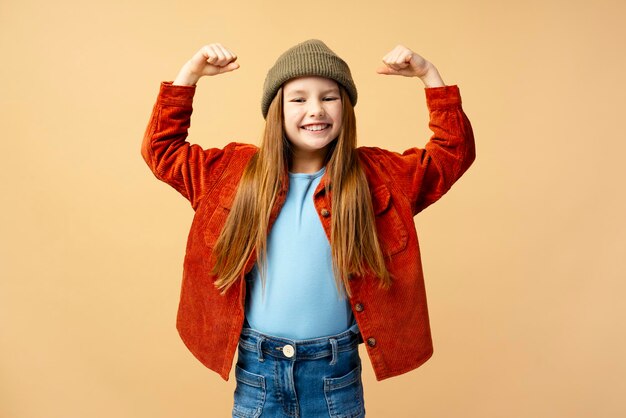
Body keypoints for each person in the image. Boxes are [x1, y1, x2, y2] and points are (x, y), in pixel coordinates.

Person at [141, 39, 475, 417]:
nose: (315, 109)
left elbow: (451, 155)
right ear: (276, 111)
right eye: (298, 99)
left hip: (335, 376)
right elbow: (162, 150)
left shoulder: (377, 177)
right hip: (258, 374)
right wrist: (191, 75)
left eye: (329, 97)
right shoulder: (232, 173)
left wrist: (429, 76)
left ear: (346, 107)